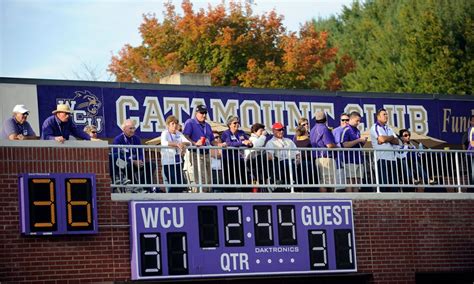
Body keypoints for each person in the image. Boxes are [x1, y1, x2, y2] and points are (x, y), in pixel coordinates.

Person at [182, 104, 225, 192]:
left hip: (206, 153)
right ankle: (200, 196)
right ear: (196, 113)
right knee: (200, 177)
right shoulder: (190, 122)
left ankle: (208, 196)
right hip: (195, 153)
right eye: (202, 113)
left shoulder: (208, 126)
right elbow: (185, 136)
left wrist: (219, 144)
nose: (204, 115)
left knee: (209, 178)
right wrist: (194, 143)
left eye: (205, 113)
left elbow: (212, 140)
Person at [112, 119, 156, 192]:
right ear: (124, 129)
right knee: (128, 165)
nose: (133, 130)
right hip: (123, 163)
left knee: (151, 165)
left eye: (133, 128)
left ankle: (145, 188)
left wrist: (140, 160)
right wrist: (132, 161)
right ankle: (133, 186)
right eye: (130, 128)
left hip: (136, 163)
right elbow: (116, 155)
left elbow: (140, 152)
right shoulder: (118, 139)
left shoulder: (137, 139)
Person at [370, 108, 399, 192]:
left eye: (387, 114)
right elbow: (381, 139)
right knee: (384, 184)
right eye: (384, 114)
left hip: (392, 158)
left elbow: (397, 141)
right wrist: (391, 138)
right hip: (381, 159)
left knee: (394, 185)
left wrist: (388, 138)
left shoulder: (389, 129)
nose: (386, 116)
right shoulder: (375, 127)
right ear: (378, 117)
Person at [221, 116, 253, 191]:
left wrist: (249, 144)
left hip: (240, 159)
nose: (237, 124)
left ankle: (247, 196)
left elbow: (247, 142)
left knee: (244, 179)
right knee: (230, 179)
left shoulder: (241, 133)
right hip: (228, 160)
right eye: (234, 123)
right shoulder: (226, 133)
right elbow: (229, 143)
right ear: (229, 124)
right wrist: (241, 142)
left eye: (238, 122)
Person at [266, 122, 299, 191]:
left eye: (282, 129)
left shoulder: (289, 141)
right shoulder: (271, 142)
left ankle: (302, 186)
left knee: (306, 164)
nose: (281, 131)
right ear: (273, 131)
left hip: (292, 161)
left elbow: (297, 153)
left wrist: (298, 159)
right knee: (287, 162)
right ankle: (291, 181)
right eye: (279, 130)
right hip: (279, 163)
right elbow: (269, 156)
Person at [160, 115, 190, 193]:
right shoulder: (165, 133)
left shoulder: (178, 133)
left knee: (179, 184)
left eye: (176, 123)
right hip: (168, 163)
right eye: (172, 123)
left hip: (178, 162)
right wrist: (177, 144)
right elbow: (164, 143)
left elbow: (188, 142)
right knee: (171, 184)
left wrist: (182, 143)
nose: (175, 125)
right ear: (168, 125)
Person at [310, 111, 337, 192]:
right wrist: (337, 146)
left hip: (317, 159)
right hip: (325, 158)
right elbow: (329, 145)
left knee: (322, 181)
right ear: (325, 119)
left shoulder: (312, 129)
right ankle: (329, 201)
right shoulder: (324, 128)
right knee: (328, 183)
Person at [341, 111, 368, 192]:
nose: (358, 123)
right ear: (351, 119)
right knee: (350, 181)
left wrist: (362, 142)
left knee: (357, 182)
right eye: (357, 121)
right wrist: (359, 140)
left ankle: (357, 201)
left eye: (359, 121)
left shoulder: (357, 130)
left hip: (359, 159)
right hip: (349, 160)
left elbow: (357, 145)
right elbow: (344, 145)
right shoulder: (346, 130)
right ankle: (350, 200)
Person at [294, 125, 318, 192]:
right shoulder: (308, 141)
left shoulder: (295, 142)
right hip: (308, 163)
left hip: (299, 164)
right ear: (305, 132)